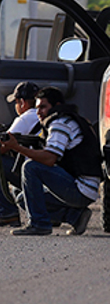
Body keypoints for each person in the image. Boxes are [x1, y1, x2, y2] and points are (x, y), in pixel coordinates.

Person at [1, 86, 102, 236]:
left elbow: (49, 159)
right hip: (83, 187)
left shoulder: (60, 123)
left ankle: (39, 224)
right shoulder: (68, 119)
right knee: (23, 199)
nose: (38, 112)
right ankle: (75, 217)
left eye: (43, 107)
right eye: (37, 107)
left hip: (81, 189)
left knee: (31, 167)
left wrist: (16, 147)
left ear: (57, 106)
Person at [0, 81, 40, 226]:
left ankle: (6, 211)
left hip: (34, 172)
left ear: (22, 102)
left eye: (15, 102)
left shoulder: (27, 117)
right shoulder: (44, 114)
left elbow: (3, 146)